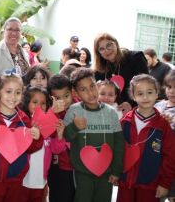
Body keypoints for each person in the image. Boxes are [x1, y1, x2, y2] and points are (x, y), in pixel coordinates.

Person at [0, 72, 43, 202]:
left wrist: (37, 138)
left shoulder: (24, 119)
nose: (13, 97)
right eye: (8, 91)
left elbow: (30, 148)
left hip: (17, 178)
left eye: (18, 93)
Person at [64, 68, 125, 202]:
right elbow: (66, 137)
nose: (90, 92)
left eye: (92, 86)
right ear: (76, 92)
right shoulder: (73, 111)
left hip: (107, 173)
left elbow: (119, 143)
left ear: (97, 85)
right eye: (83, 89)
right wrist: (74, 127)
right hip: (82, 172)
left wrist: (116, 170)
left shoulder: (111, 113)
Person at [117, 74, 175, 202]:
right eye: (140, 93)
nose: (145, 97)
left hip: (151, 185)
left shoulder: (163, 125)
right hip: (125, 182)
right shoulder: (124, 121)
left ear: (157, 93)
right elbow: (117, 150)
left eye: (149, 92)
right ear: (133, 96)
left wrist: (165, 183)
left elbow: (170, 156)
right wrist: (115, 173)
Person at [19, 86, 58, 202]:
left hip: (40, 179)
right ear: (27, 103)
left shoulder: (50, 124)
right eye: (34, 102)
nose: (39, 106)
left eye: (43, 103)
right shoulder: (22, 122)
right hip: (23, 178)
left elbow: (57, 149)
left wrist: (60, 135)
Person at [93, 32, 148, 113]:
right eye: (101, 49)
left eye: (109, 45)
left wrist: (131, 103)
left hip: (135, 111)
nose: (106, 50)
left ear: (116, 43)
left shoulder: (135, 58)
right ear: (98, 53)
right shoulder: (99, 69)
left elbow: (145, 85)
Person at [47, 74, 75, 202]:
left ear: (72, 92)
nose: (63, 101)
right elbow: (53, 146)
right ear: (51, 97)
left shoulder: (80, 108)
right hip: (59, 168)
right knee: (59, 196)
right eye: (58, 98)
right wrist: (52, 113)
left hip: (77, 167)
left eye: (66, 96)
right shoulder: (51, 113)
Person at [154, 70, 175, 202]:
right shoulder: (158, 105)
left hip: (172, 161)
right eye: (169, 87)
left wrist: (167, 126)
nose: (171, 91)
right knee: (157, 193)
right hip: (157, 159)